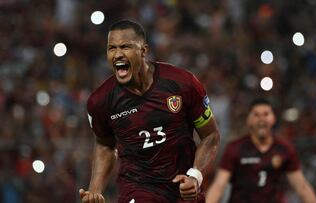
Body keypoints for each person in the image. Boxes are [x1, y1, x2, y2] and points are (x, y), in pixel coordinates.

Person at [79, 19, 220, 203]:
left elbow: (210, 136)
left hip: (183, 190)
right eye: (111, 48)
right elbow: (105, 144)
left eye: (125, 47)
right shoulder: (101, 101)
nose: (117, 54)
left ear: (143, 50)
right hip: (138, 189)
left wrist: (195, 176)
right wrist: (94, 191)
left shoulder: (182, 83)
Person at [206, 98, 316, 203]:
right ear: (249, 120)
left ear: (273, 119)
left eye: (266, 114)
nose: (261, 119)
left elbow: (301, 187)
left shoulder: (285, 149)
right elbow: (219, 186)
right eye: (256, 114)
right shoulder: (235, 148)